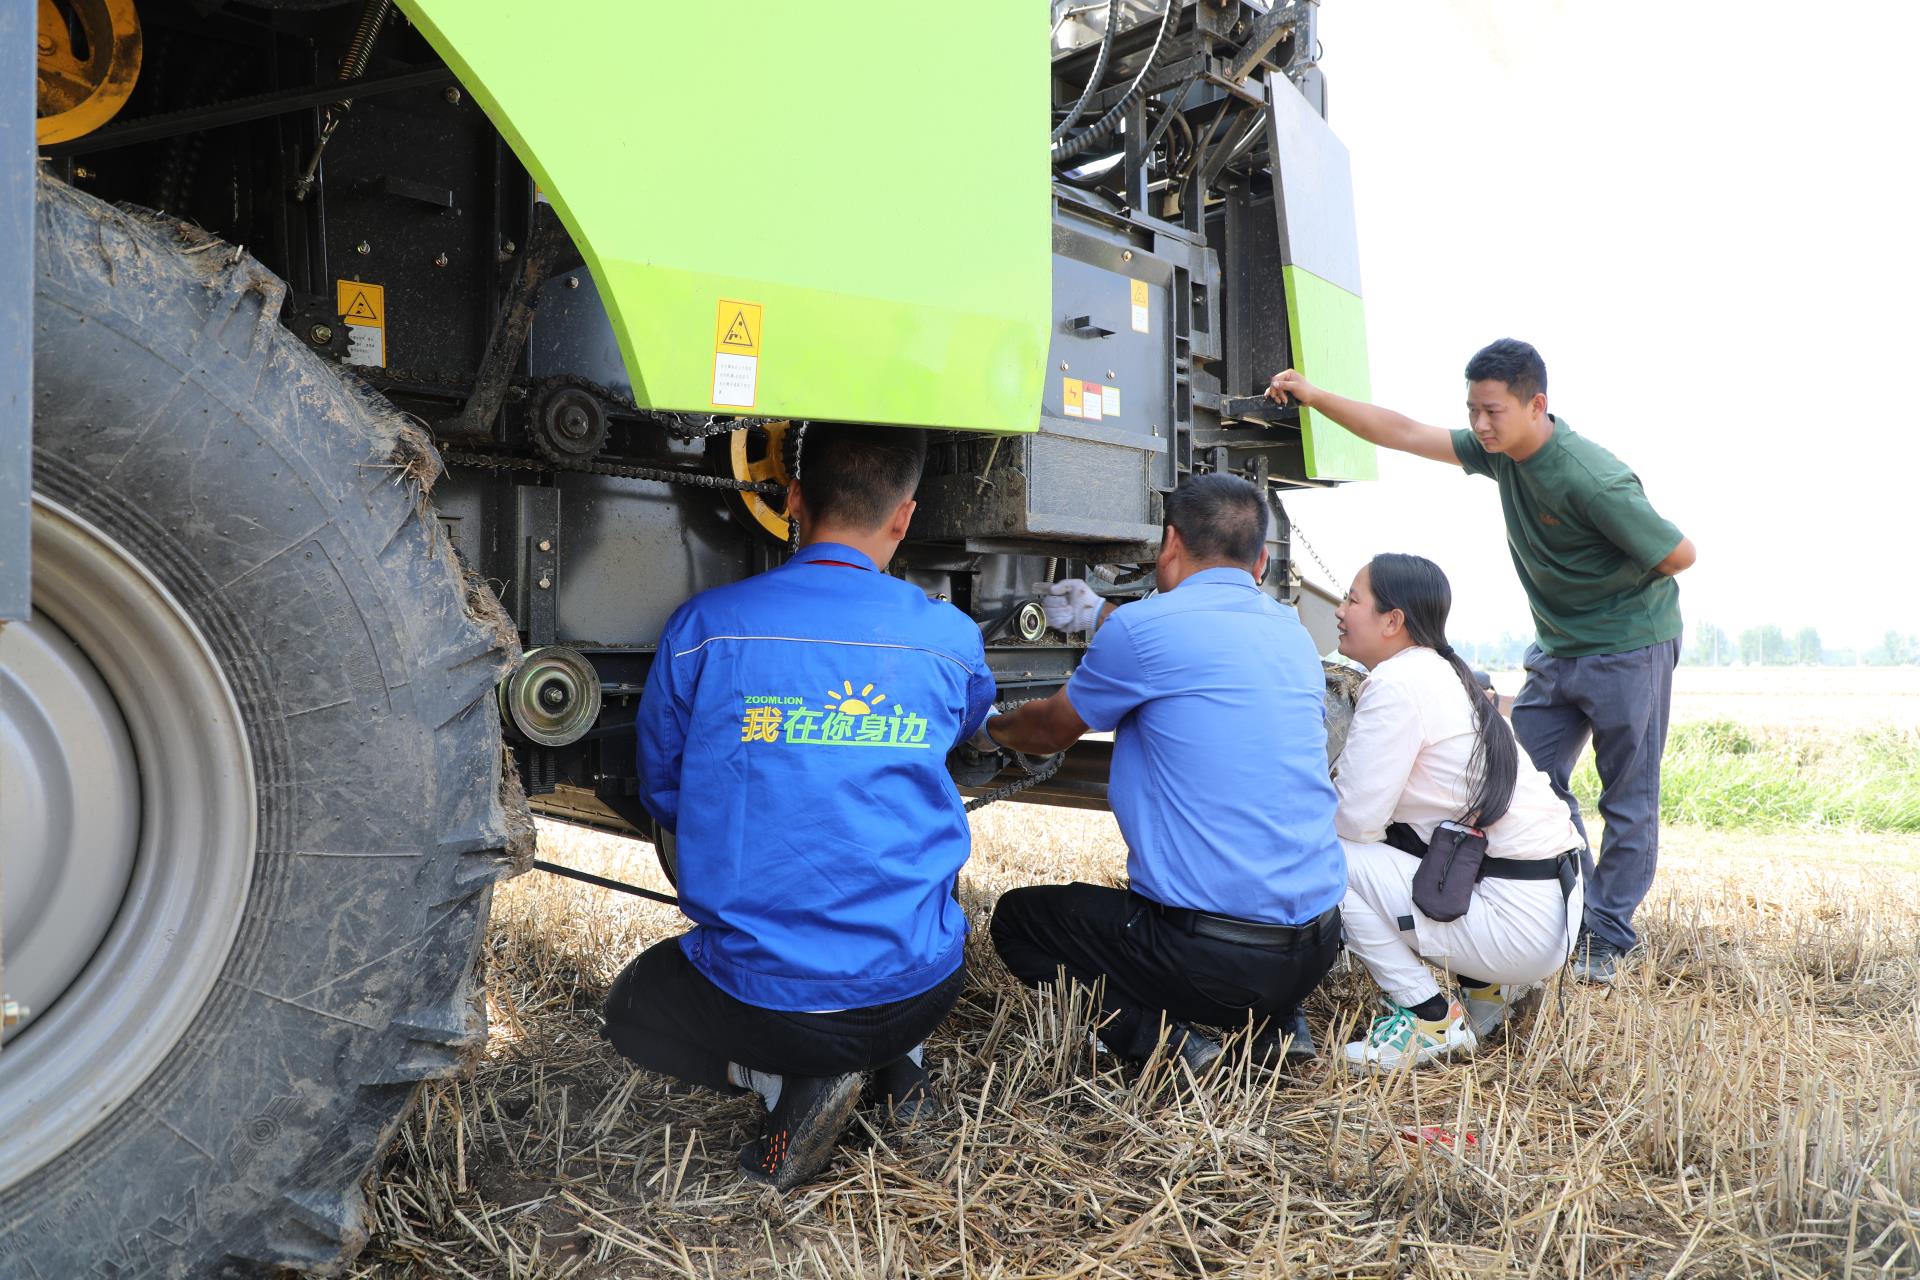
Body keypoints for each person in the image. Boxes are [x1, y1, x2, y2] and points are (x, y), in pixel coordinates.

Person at [607, 424, 996, 1190]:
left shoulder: (704, 628)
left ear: (790, 500)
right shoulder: (951, 638)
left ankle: (790, 1083)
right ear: (904, 517)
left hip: (773, 1006)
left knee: (631, 1011)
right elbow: (968, 729)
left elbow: (662, 791)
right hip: (927, 987)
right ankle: (898, 1071)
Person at [1269, 339, 1695, 982]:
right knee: (1521, 781)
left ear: (1537, 405)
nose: (1480, 426)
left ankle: (1606, 936)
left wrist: (1599, 594)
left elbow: (1678, 555)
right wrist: (1314, 394)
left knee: (1628, 798)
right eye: (1472, 411)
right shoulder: (1503, 456)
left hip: (1629, 648)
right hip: (1556, 650)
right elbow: (1406, 432)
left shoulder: (1590, 477)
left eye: (1493, 411)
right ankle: (1565, 912)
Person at [983, 474, 1345, 1075]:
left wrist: (988, 727)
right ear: (1261, 561)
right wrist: (1100, 614)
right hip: (1315, 949)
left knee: (1020, 922)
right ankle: (1280, 1027)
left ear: (1169, 542)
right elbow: (1190, 645)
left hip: (1209, 961)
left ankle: (1168, 1044)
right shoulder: (1292, 633)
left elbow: (1047, 732)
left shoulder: (1142, 630)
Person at [1330, 554, 1584, 1069]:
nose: (1339, 610)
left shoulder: (1397, 684)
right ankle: (1489, 993)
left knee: (1323, 858)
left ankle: (1428, 1017)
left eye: (1352, 599)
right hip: (1554, 907)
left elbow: (1354, 820)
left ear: (1392, 621)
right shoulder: (1446, 673)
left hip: (1517, 920)